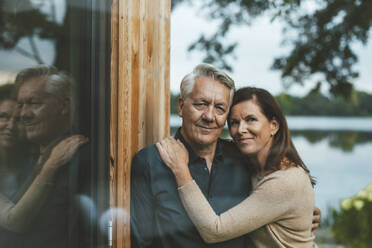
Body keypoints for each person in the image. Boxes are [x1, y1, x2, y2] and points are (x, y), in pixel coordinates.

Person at [130, 63, 320, 248]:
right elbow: (141, 241)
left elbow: (280, 195)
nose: (209, 116)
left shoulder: (244, 159)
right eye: (201, 104)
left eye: (220, 108)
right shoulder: (150, 162)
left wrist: (302, 216)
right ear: (181, 107)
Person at [2, 65, 90, 248]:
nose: (23, 114)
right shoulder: (34, 161)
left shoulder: (82, 159)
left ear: (64, 106)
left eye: (34, 103)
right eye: (21, 105)